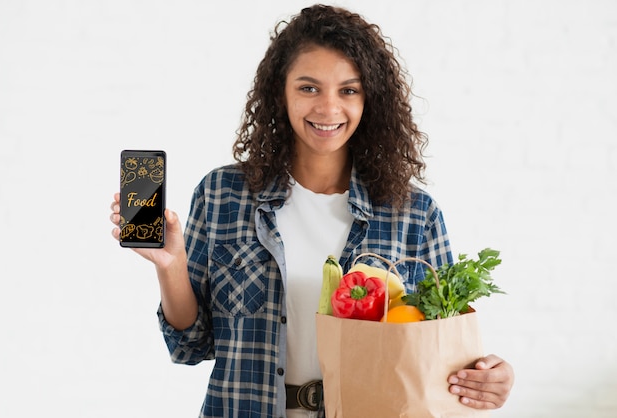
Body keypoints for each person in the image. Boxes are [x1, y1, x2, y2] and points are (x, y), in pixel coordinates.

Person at [110, 4, 514, 417]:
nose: (328, 108)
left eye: (348, 90)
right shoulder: (222, 194)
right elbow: (189, 346)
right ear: (279, 93)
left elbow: (440, 353)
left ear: (369, 99)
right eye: (309, 88)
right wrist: (170, 263)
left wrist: (489, 378)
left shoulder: (414, 213)